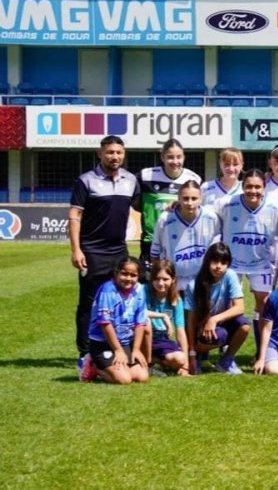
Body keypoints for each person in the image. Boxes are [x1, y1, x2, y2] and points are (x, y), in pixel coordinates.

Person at [69, 135, 140, 370]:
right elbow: (75, 216)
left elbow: (142, 206)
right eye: (110, 152)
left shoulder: (131, 180)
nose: (114, 156)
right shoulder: (86, 180)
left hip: (119, 250)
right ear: (100, 154)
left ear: (124, 154)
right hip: (92, 251)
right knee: (89, 303)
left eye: (119, 152)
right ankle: (85, 353)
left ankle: (117, 345)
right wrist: (76, 249)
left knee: (122, 300)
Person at [217, 169, 278, 357]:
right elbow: (202, 211)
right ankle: (225, 347)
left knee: (264, 305)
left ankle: (262, 350)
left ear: (264, 187)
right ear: (242, 186)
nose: (253, 191)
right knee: (228, 304)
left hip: (261, 263)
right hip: (233, 263)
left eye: (257, 187)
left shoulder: (274, 209)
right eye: (249, 186)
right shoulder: (226, 204)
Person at [79, 256, 149, 385]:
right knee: (124, 379)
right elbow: (105, 323)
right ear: (116, 273)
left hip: (125, 342)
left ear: (138, 276)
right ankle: (94, 365)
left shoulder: (139, 290)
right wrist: (118, 350)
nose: (128, 278)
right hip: (102, 343)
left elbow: (140, 323)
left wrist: (136, 349)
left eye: (133, 275)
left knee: (142, 377)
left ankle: (117, 365)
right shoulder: (108, 290)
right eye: (124, 274)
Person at [137, 138, 202, 277]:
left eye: (179, 157)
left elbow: (198, 208)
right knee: (151, 283)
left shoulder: (194, 179)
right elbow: (134, 202)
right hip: (150, 240)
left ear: (184, 157)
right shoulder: (145, 176)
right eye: (170, 157)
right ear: (162, 157)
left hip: (180, 240)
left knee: (178, 281)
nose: (175, 161)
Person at [184, 242, 250, 375]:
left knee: (244, 326)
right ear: (207, 261)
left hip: (220, 324)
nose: (219, 266)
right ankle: (199, 353)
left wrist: (214, 319)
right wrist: (191, 352)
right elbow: (190, 321)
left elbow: (240, 307)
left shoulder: (230, 275)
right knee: (221, 335)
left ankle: (226, 361)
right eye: (215, 261)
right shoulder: (193, 285)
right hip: (201, 331)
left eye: (224, 263)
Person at [150, 180, 221, 292]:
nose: (189, 203)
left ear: (201, 199)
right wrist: (160, 277)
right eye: (185, 198)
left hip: (202, 279)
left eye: (194, 198)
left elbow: (218, 250)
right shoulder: (165, 219)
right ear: (178, 198)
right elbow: (155, 252)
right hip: (173, 279)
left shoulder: (211, 218)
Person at [145, 260, 189, 377]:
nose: (160, 283)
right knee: (146, 322)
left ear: (173, 279)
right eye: (157, 279)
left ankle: (155, 362)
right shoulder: (143, 291)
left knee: (180, 359)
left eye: (165, 279)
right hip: (142, 338)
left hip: (161, 340)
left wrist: (185, 365)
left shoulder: (176, 300)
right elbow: (139, 313)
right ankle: (147, 363)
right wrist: (163, 316)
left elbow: (180, 331)